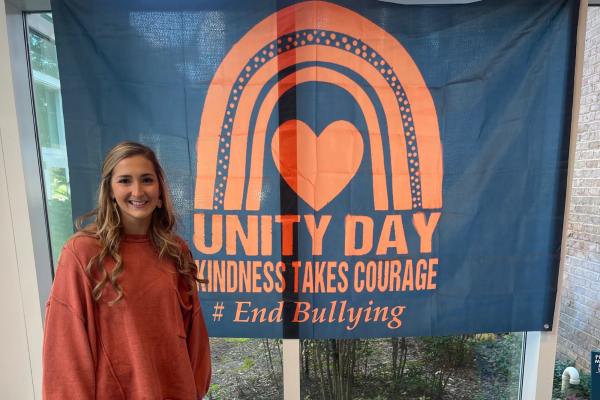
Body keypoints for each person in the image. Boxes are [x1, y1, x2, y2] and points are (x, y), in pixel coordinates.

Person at [42, 142, 211, 399]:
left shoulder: (176, 251)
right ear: (110, 190)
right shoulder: (82, 254)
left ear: (160, 189)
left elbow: (194, 337)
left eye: (146, 180)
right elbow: (65, 351)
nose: (137, 190)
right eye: (124, 180)